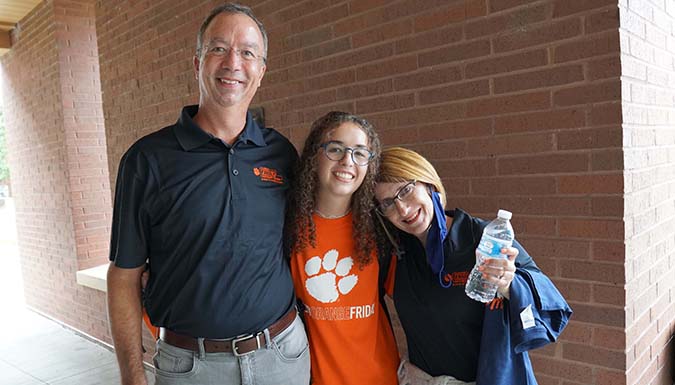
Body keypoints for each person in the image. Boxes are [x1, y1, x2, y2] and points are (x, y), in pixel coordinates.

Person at [106, 4, 309, 385]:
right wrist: (131, 373)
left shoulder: (280, 153)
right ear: (197, 62)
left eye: (248, 52)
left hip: (283, 356)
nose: (233, 62)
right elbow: (123, 275)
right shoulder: (146, 160)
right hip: (191, 368)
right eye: (218, 48)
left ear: (261, 72)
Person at [374, 147, 571, 385]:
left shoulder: (484, 238)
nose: (402, 209)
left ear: (428, 184)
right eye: (387, 203)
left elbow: (551, 307)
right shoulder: (398, 253)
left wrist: (510, 284)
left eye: (405, 190)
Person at [285, 111, 399, 385]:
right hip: (316, 378)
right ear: (315, 155)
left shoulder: (382, 228)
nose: (348, 161)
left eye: (360, 153)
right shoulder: (286, 228)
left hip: (380, 377)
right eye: (336, 149)